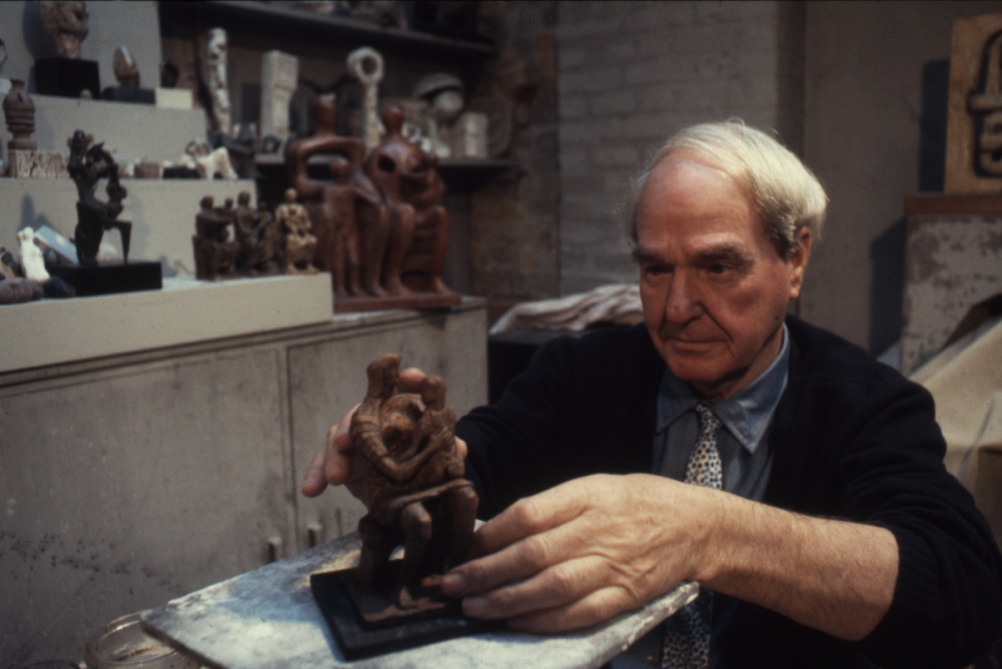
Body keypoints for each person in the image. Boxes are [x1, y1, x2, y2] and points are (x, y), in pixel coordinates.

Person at [302, 120, 1002, 668]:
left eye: (718, 266)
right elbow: (480, 460)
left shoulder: (868, 402)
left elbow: (961, 591)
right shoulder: (580, 373)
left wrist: (707, 530)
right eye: (654, 269)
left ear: (795, 260)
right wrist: (417, 463)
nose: (674, 308)